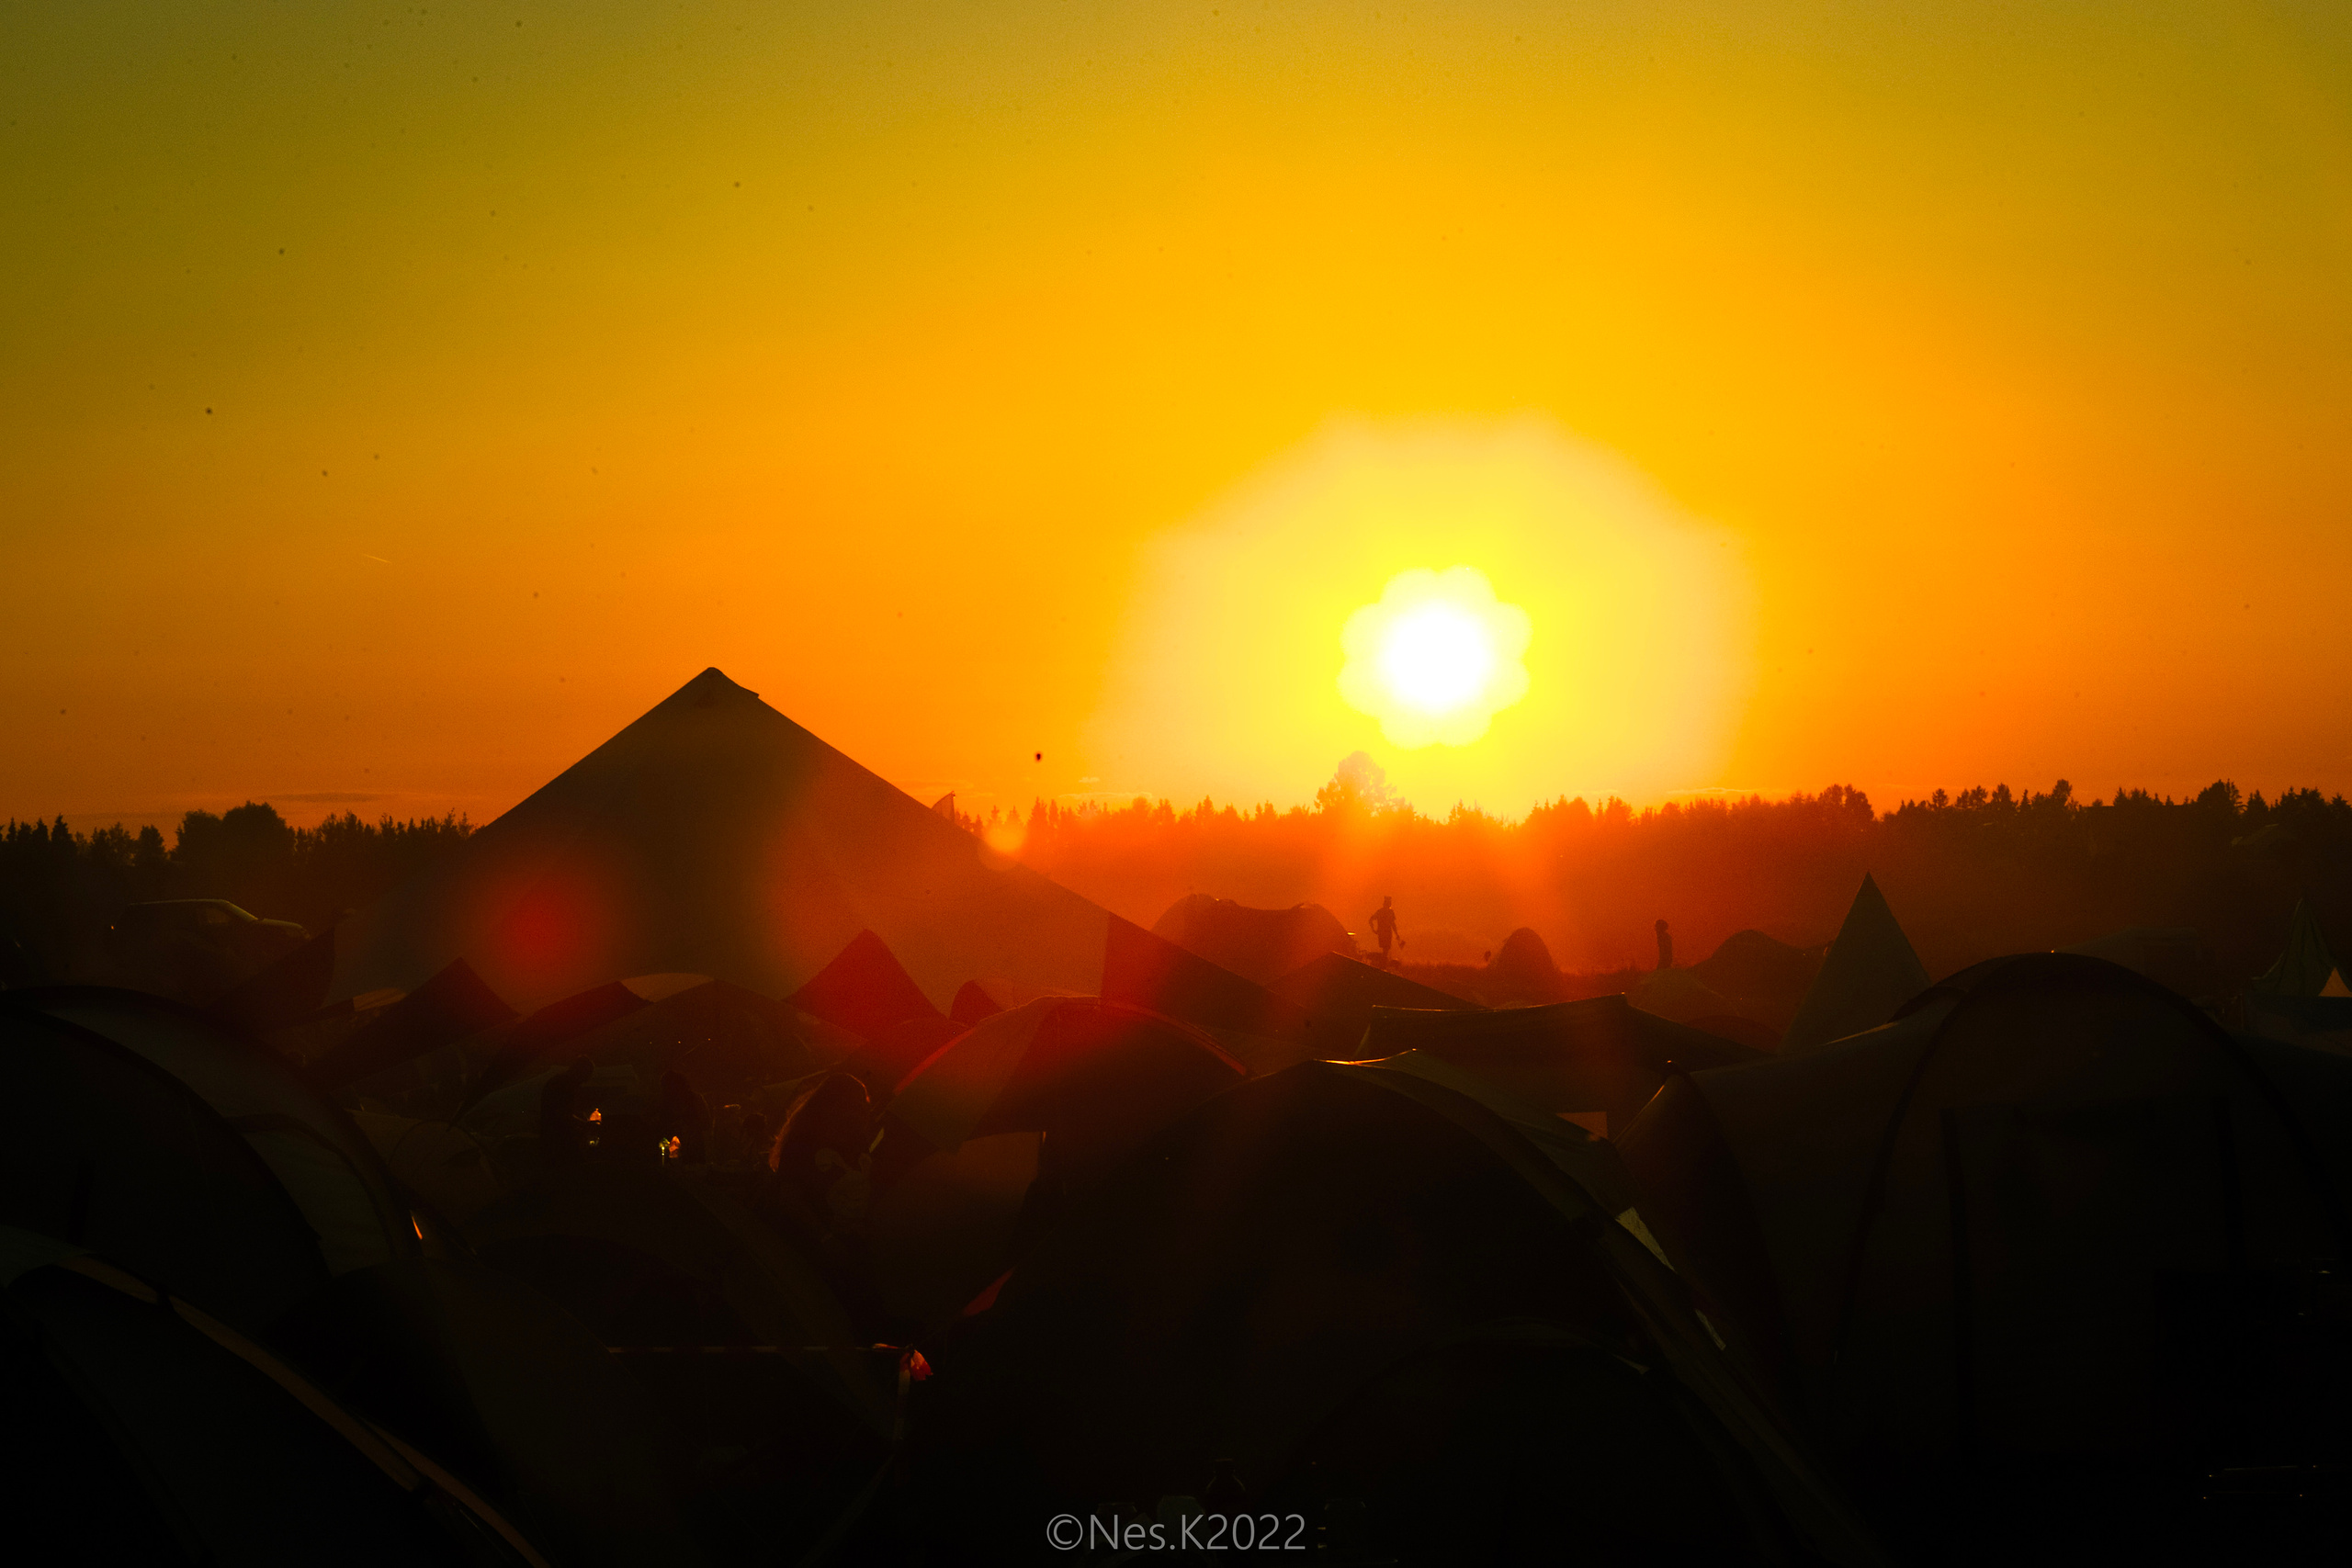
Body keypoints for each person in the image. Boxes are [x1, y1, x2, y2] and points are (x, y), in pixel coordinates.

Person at [1368, 897, 1401, 967]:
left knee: (1385, 949)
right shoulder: (1390, 912)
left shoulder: (1379, 912)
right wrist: (1396, 934)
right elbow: (1393, 924)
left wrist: (1373, 930)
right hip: (1387, 933)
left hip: (1381, 933)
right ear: (1388, 904)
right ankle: (1383, 965)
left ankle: (1383, 964)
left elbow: (1370, 920)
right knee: (1386, 950)